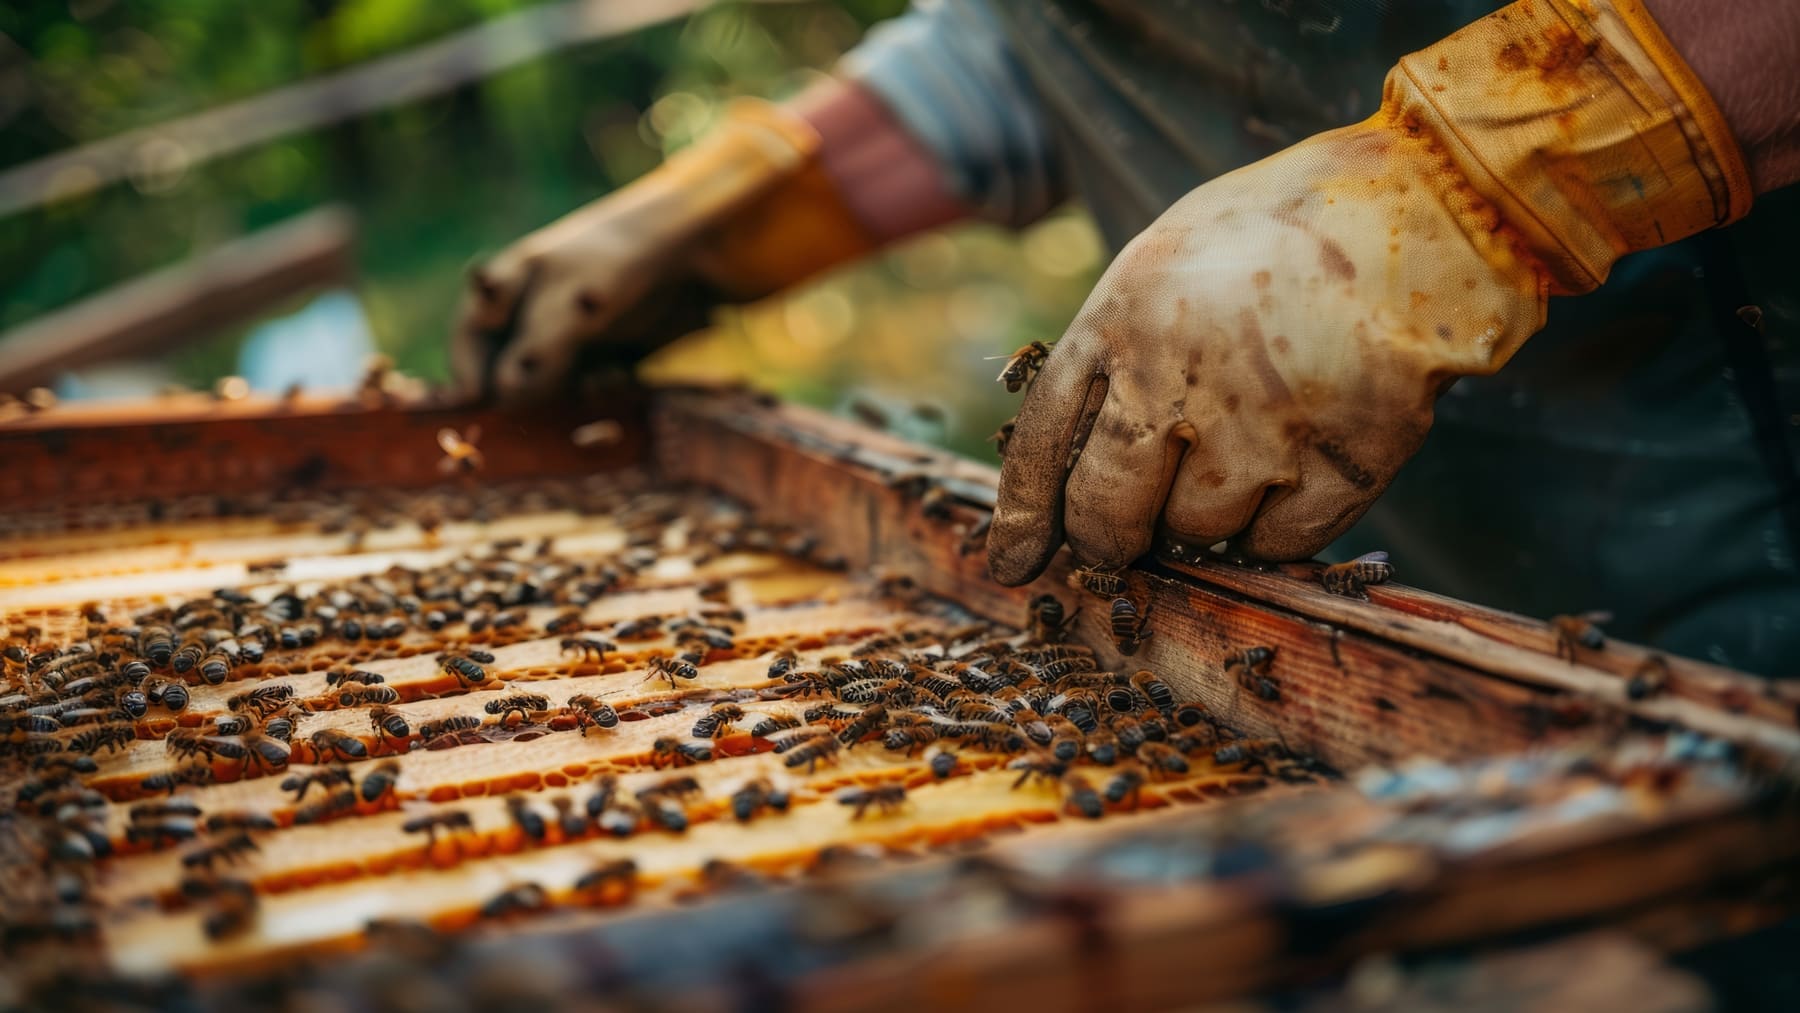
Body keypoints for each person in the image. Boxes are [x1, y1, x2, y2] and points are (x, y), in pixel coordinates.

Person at [452, 0, 1798, 676]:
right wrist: (747, 199)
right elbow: (1058, 36)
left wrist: (1481, 183)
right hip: (1377, 582)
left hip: (1730, 475)